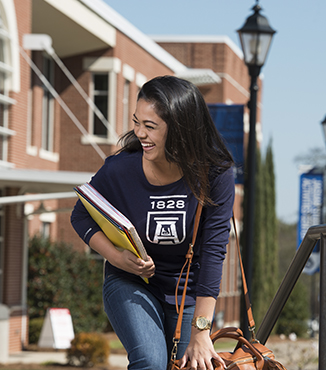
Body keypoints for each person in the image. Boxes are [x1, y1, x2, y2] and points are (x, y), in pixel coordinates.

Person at [71, 75, 235, 370]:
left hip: (186, 292)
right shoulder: (119, 169)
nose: (139, 133)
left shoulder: (215, 174)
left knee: (191, 364)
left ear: (181, 130)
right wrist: (117, 257)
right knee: (150, 361)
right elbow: (81, 214)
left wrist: (201, 330)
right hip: (130, 282)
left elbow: (213, 252)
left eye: (150, 126)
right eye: (137, 122)